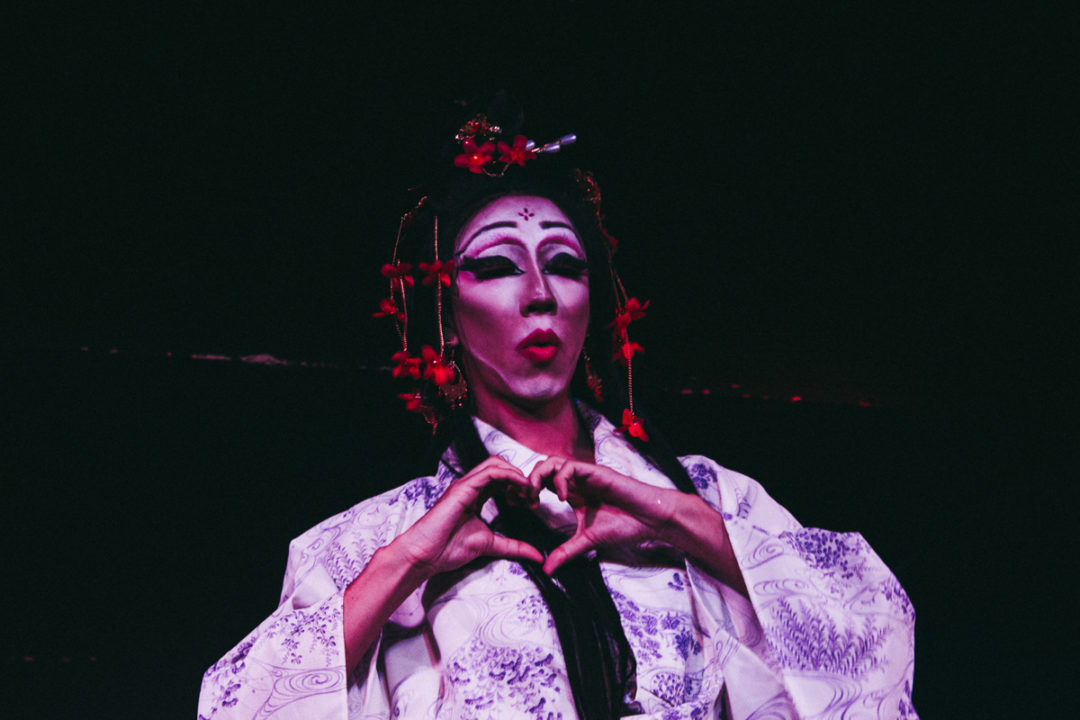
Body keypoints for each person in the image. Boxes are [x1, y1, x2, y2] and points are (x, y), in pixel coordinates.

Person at [199, 100, 918, 720]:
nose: (540, 293)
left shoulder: (708, 497)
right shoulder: (386, 534)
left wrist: (679, 521)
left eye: (566, 265)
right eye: (497, 266)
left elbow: (873, 630)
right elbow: (241, 703)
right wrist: (407, 562)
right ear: (447, 313)